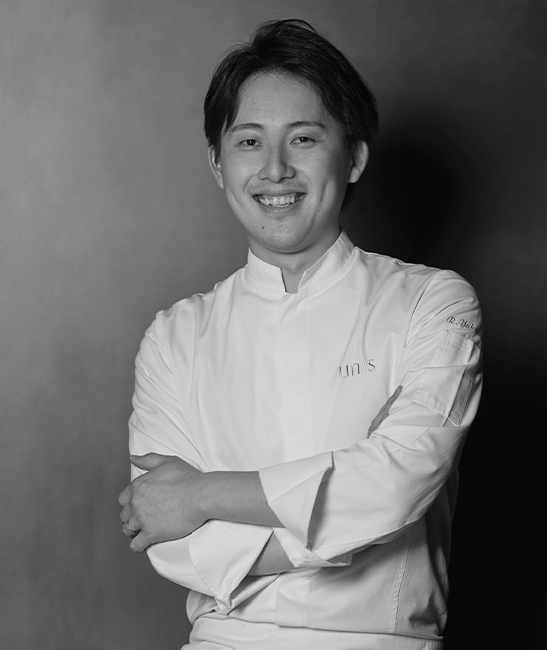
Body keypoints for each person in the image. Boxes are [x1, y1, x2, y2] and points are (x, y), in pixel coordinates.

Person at [118, 18, 483, 650]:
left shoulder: (433, 303)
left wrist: (201, 495)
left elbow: (395, 485)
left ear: (355, 156)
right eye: (249, 142)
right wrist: (348, 524)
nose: (275, 169)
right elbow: (169, 535)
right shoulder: (175, 337)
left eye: (304, 138)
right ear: (218, 164)